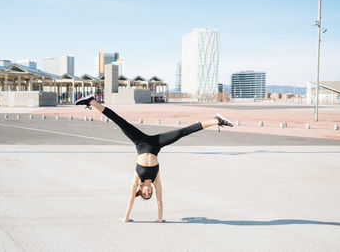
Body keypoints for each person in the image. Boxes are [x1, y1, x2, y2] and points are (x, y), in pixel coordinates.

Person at [75, 95, 233, 223]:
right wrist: (160, 217)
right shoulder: (156, 180)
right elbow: (160, 201)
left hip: (140, 143)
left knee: (119, 121)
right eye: (149, 194)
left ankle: (92, 102)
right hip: (156, 145)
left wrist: (126, 217)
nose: (148, 192)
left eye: (145, 193)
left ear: (141, 191)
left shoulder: (137, 179)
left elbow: (130, 200)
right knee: (183, 132)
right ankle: (216, 120)